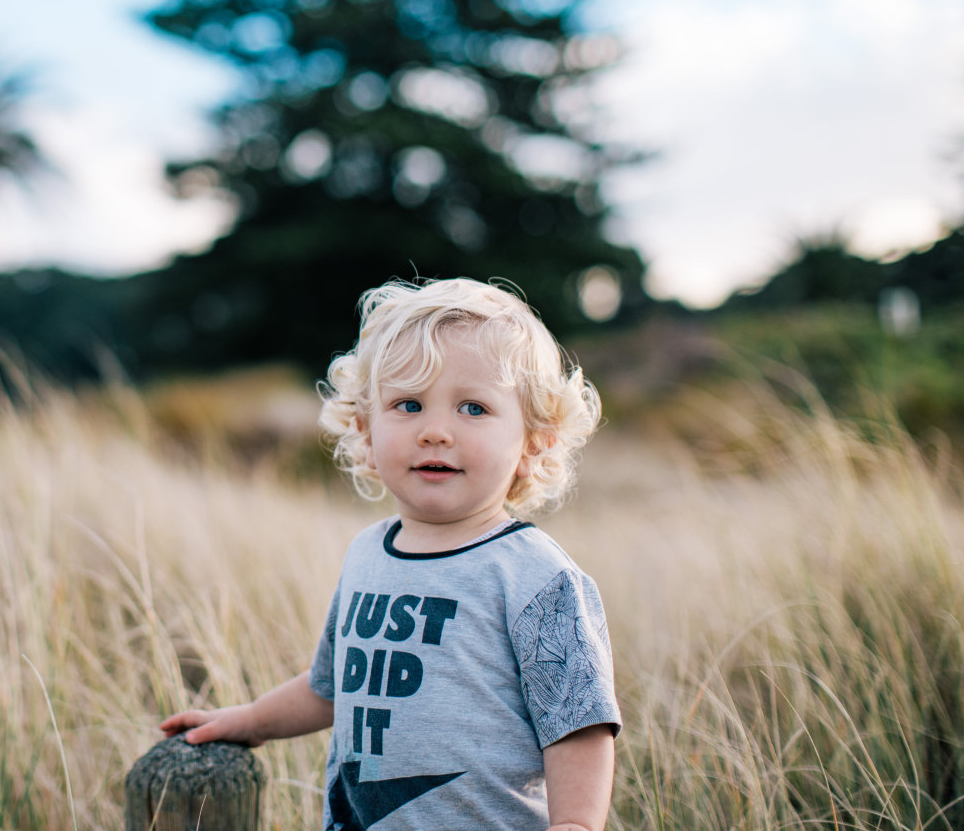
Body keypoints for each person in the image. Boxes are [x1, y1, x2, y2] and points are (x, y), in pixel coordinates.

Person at [159, 278, 621, 831]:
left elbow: (577, 723)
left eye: (473, 408)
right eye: (408, 405)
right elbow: (329, 687)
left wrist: (576, 824)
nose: (435, 431)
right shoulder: (366, 555)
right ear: (366, 429)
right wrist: (251, 721)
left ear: (533, 441)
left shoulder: (536, 574)